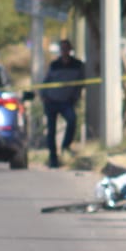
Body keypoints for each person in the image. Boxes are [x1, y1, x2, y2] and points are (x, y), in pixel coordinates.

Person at [40, 39, 84, 168]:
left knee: (72, 120)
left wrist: (75, 97)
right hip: (52, 101)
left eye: (66, 48)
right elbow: (46, 82)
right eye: (62, 48)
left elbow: (80, 84)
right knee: (51, 130)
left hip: (66, 102)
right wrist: (44, 96)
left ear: (70, 50)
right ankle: (53, 157)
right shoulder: (55, 65)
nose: (64, 51)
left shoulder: (77, 65)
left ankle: (65, 147)